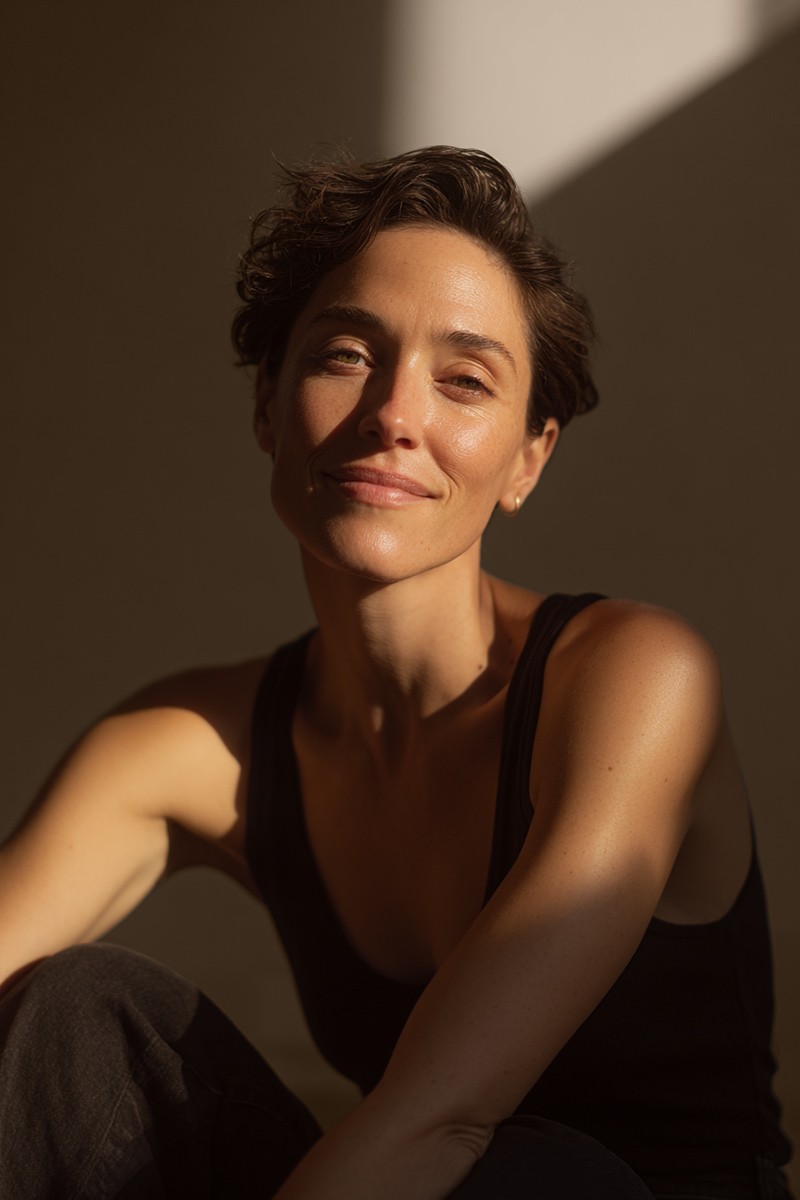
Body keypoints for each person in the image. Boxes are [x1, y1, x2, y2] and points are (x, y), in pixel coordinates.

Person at [0, 146, 793, 1200]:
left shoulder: (635, 678)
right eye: (344, 355)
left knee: (524, 1169)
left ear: (527, 458)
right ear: (267, 405)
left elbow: (443, 1120)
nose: (393, 416)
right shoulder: (194, 748)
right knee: (73, 1011)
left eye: (463, 381)